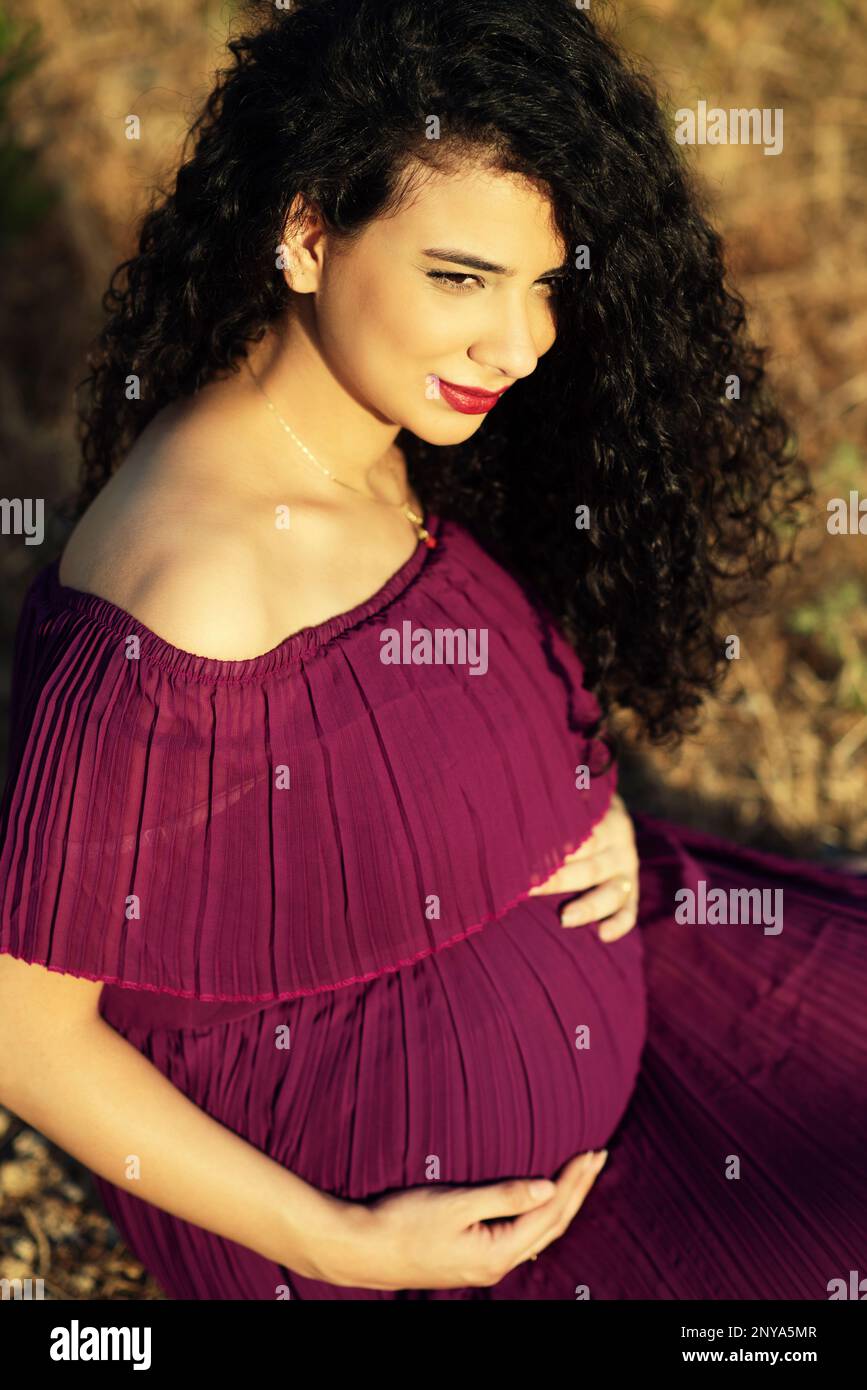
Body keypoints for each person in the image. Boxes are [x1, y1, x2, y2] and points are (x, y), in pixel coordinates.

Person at [1, 0, 865, 1301]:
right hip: (392, 1240)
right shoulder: (192, 594)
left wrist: (579, 804)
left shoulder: (362, 432)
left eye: (545, 283)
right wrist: (339, 1241)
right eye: (460, 278)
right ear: (305, 236)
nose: (520, 344)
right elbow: (22, 1032)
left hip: (618, 992)